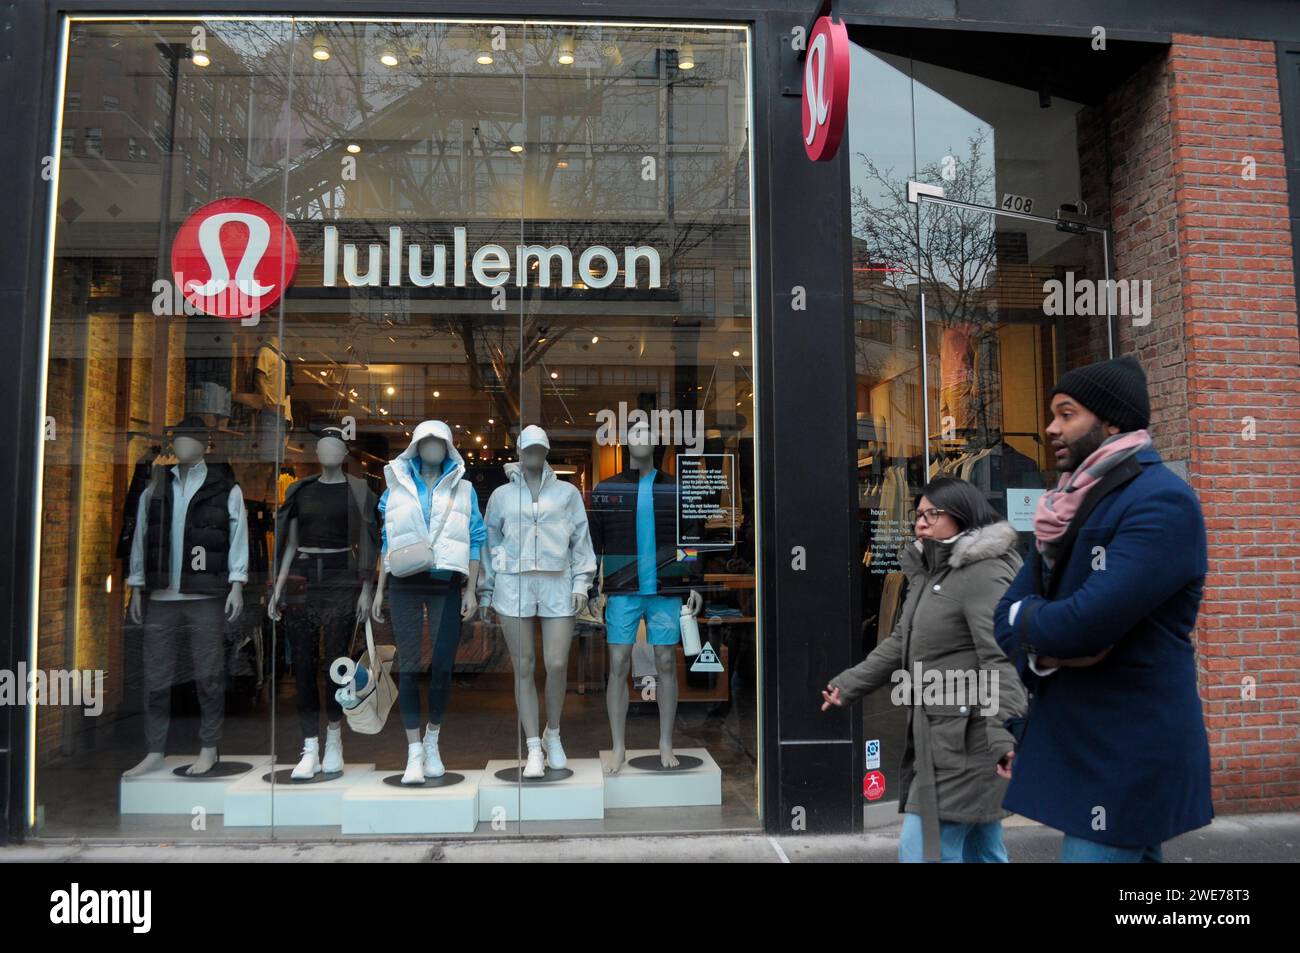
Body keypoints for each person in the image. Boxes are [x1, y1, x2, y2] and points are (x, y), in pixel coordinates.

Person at [993, 355, 1213, 862]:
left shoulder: (1160, 501)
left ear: (1112, 421)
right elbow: (1005, 612)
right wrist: (1045, 649)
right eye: (1052, 414)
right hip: (1086, 743)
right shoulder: (1068, 503)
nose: (1051, 428)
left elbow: (1082, 626)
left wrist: (1035, 627)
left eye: (1067, 414)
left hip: (1127, 749)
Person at [822, 477, 1026, 862]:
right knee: (984, 850)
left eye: (933, 514)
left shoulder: (982, 573)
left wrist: (1005, 736)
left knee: (924, 851)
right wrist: (850, 684)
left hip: (970, 741)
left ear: (963, 517)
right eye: (918, 515)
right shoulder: (933, 573)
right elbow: (902, 640)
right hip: (943, 736)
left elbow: (1001, 657)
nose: (921, 523)